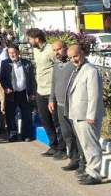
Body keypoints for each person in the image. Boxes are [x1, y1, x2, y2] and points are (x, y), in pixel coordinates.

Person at [67, 43, 105, 185]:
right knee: (85, 145)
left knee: (91, 145)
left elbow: (94, 95)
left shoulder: (91, 70)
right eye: (71, 57)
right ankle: (90, 171)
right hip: (78, 114)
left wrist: (91, 115)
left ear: (82, 53)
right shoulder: (78, 69)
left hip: (87, 116)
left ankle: (95, 174)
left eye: (75, 56)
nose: (73, 59)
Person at [29, 28, 64, 158]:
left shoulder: (50, 50)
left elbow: (59, 66)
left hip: (51, 91)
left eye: (30, 38)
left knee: (57, 121)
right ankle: (53, 145)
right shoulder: (35, 50)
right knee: (45, 121)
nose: (29, 41)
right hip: (40, 90)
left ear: (37, 39)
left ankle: (62, 148)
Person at [49, 39, 83, 174]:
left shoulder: (74, 64)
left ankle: (83, 162)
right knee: (66, 134)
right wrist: (51, 99)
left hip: (73, 105)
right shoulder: (56, 66)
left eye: (59, 49)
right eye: (54, 50)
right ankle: (74, 159)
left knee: (77, 134)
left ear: (65, 48)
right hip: (60, 105)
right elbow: (54, 83)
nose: (57, 52)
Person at [0, 46, 35, 142]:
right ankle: (13, 134)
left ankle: (26, 134)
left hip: (24, 93)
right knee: (10, 115)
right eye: (10, 53)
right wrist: (6, 88)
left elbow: (32, 79)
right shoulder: (4, 63)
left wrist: (32, 92)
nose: (12, 54)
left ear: (18, 52)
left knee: (26, 114)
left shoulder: (27, 63)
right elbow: (2, 78)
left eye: (14, 52)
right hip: (11, 93)